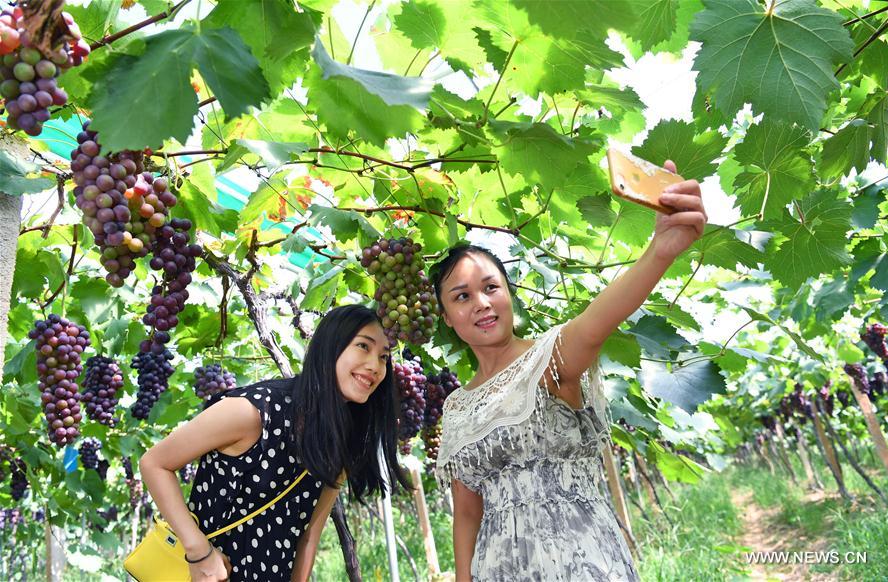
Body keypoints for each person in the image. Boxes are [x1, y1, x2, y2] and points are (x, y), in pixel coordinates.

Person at [432, 161, 706, 581]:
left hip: (579, 562)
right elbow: (467, 513)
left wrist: (659, 251)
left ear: (509, 295)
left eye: (491, 288)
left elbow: (598, 322)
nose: (482, 303)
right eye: (462, 296)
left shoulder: (547, 360)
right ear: (448, 317)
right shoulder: (456, 408)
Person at [140, 304, 410, 582]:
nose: (375, 366)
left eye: (383, 357)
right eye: (363, 346)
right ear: (330, 347)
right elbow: (154, 463)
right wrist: (198, 552)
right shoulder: (254, 412)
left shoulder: (340, 440)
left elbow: (309, 536)